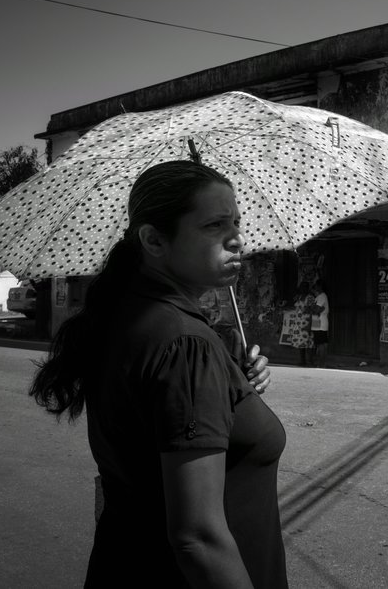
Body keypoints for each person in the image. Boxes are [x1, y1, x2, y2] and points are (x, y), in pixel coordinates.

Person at [27, 160, 287, 588]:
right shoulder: (186, 343)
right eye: (214, 225)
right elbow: (198, 539)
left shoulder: (130, 315)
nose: (238, 239)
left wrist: (231, 386)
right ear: (153, 239)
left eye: (237, 222)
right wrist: (208, 370)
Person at [289, 281, 315, 365]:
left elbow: (312, 311)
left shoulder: (310, 297)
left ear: (307, 288)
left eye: (305, 287)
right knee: (300, 342)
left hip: (306, 322)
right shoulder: (299, 297)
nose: (303, 289)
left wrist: (310, 324)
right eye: (301, 287)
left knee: (309, 342)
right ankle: (302, 360)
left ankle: (310, 361)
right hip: (298, 322)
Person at [310, 279, 330, 368]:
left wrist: (313, 308)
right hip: (317, 322)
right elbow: (314, 310)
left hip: (320, 323)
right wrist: (313, 308)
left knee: (321, 343)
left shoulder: (322, 296)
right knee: (319, 343)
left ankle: (321, 363)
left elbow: (316, 310)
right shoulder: (318, 297)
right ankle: (320, 362)